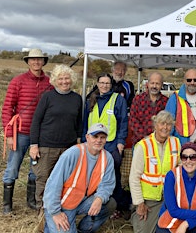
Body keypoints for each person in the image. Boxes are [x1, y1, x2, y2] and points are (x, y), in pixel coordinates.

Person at [1, 48, 53, 214]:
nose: (36, 62)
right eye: (33, 60)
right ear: (28, 62)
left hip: (40, 134)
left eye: (39, 59)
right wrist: (9, 134)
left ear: (43, 61)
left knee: (35, 168)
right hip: (21, 133)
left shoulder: (49, 83)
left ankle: (31, 200)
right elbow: (8, 108)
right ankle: (7, 205)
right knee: (12, 167)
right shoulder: (18, 81)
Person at [42, 123, 116, 233]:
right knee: (59, 225)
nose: (98, 140)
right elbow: (53, 184)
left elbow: (107, 184)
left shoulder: (107, 158)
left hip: (82, 201)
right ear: (87, 137)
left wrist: (99, 198)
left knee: (110, 204)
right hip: (62, 204)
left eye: (102, 137)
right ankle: (51, 222)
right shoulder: (73, 153)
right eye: (95, 137)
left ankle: (84, 229)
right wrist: (55, 213)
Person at [29, 64, 83, 210]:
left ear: (71, 80)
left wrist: (78, 142)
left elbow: (79, 122)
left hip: (68, 147)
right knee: (43, 179)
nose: (64, 81)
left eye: (67, 78)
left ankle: (61, 208)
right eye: (61, 79)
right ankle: (42, 209)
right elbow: (36, 121)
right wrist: (34, 145)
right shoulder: (48, 97)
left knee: (64, 179)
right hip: (46, 147)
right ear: (55, 80)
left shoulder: (77, 99)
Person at [83, 73, 129, 217]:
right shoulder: (90, 99)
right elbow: (85, 122)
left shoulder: (118, 100)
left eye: (107, 83)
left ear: (111, 85)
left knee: (113, 177)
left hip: (111, 144)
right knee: (92, 175)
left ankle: (117, 206)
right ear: (97, 83)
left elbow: (123, 122)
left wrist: (121, 143)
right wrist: (84, 141)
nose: (104, 85)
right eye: (102, 82)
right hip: (92, 144)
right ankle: (94, 205)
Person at [129, 110, 181, 233]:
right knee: (144, 231)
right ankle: (134, 214)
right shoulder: (143, 146)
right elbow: (134, 177)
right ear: (155, 125)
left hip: (169, 197)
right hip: (149, 200)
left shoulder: (176, 143)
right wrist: (139, 203)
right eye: (162, 123)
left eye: (169, 124)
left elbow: (180, 169)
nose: (165, 127)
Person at [157, 142, 196, 233]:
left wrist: (186, 224)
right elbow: (173, 211)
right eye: (184, 157)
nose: (188, 161)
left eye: (193, 157)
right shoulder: (171, 176)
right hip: (172, 220)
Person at [165, 69, 196, 160]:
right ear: (184, 81)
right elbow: (168, 123)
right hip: (180, 147)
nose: (192, 82)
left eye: (195, 80)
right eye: (189, 80)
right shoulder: (175, 97)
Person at [129, 72, 169, 146]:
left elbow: (168, 123)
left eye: (157, 83)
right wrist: (147, 138)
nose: (154, 86)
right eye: (152, 83)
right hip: (140, 142)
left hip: (160, 143)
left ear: (161, 85)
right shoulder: (138, 99)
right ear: (148, 84)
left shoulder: (166, 102)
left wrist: (157, 138)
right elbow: (133, 121)